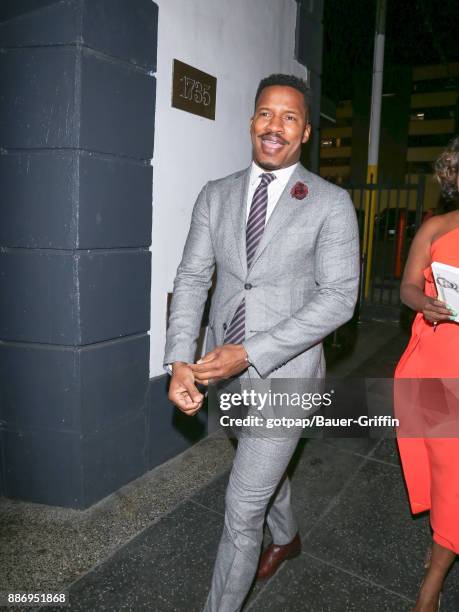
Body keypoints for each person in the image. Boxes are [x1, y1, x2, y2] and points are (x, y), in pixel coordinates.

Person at [164, 73, 360, 611]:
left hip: (287, 375)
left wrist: (251, 351)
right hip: (222, 374)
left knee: (241, 507)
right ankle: (289, 536)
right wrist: (181, 359)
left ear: (305, 134)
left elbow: (340, 298)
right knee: (263, 471)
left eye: (289, 117)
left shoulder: (330, 203)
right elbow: (192, 279)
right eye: (266, 114)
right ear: (252, 122)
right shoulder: (216, 194)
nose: (275, 126)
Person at [395, 135, 459, 612]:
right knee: (444, 469)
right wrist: (427, 305)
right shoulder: (436, 227)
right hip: (439, 363)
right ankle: (443, 544)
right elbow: (408, 288)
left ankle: (433, 580)